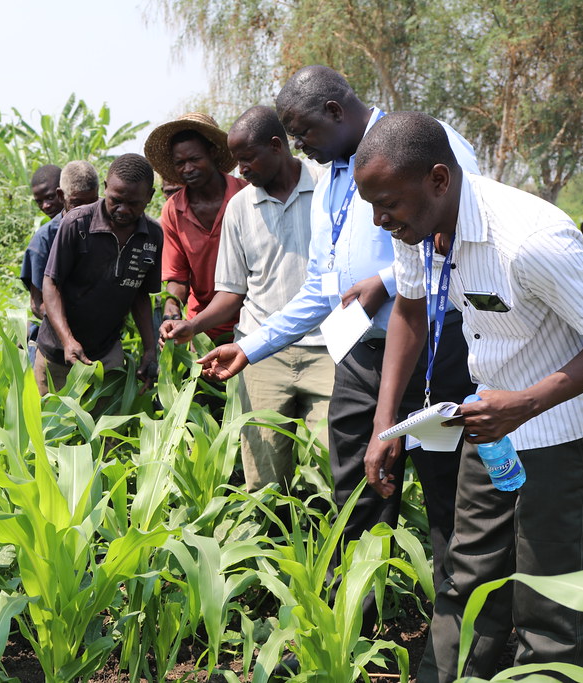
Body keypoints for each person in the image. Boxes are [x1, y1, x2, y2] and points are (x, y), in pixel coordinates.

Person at [197, 66, 480, 601]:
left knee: (447, 489)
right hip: (359, 355)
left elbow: (466, 230)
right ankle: (361, 619)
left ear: (335, 111)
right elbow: (321, 289)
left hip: (435, 345)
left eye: (303, 133)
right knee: (356, 489)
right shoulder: (329, 178)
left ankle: (458, 617)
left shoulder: (424, 140)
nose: (299, 145)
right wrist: (251, 346)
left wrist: (388, 280)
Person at [355, 111, 583, 682]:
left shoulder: (531, 241)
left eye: (388, 204)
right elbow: (409, 311)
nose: (381, 221)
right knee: (467, 575)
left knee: (549, 595)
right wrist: (384, 427)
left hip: (559, 434)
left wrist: (526, 403)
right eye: (372, 207)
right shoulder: (420, 228)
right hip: (490, 434)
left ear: (439, 179)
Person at [162, 106, 333, 492]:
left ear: (277, 146)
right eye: (237, 161)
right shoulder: (239, 207)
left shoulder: (327, 186)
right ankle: (268, 548)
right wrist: (193, 323)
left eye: (247, 159)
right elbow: (232, 292)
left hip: (328, 349)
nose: (241, 170)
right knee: (264, 473)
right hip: (259, 349)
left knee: (335, 465)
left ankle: (334, 549)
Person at [36, 153, 162, 395]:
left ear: (149, 197)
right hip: (57, 351)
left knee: (106, 430)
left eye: (134, 203)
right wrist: (67, 340)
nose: (123, 209)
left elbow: (141, 295)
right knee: (50, 427)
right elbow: (51, 284)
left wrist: (149, 349)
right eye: (115, 200)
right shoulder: (77, 223)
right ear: (105, 188)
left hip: (106, 352)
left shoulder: (153, 235)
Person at [144, 112, 246, 341]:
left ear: (212, 152)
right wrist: (172, 305)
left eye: (194, 159)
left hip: (252, 321)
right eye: (180, 163)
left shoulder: (246, 195)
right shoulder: (173, 210)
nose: (187, 169)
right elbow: (178, 277)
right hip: (201, 328)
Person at [20, 161, 100, 325]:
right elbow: (37, 304)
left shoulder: (106, 225)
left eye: (91, 204)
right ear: (62, 195)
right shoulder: (44, 240)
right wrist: (66, 328)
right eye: (77, 204)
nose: (46, 205)